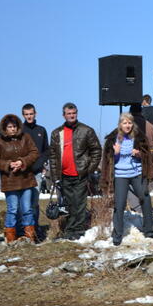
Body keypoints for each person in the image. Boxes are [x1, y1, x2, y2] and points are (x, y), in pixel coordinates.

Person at [100, 113, 153, 246]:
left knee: (145, 198)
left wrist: (139, 155)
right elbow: (107, 160)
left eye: (130, 123)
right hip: (120, 175)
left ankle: (149, 230)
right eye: (125, 123)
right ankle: (118, 234)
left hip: (136, 173)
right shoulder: (113, 139)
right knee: (119, 204)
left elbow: (148, 154)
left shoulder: (139, 137)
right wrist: (115, 154)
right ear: (120, 124)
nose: (127, 125)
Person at [49, 103, 102, 241]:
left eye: (74, 113)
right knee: (69, 204)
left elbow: (96, 150)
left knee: (79, 203)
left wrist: (89, 169)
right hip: (64, 175)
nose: (72, 116)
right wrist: (55, 177)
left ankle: (78, 231)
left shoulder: (86, 130)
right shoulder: (56, 133)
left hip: (80, 174)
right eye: (69, 113)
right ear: (64, 115)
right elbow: (53, 156)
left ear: (76, 113)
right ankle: (70, 229)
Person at [0, 114, 39, 243]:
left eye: (15, 126)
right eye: (10, 127)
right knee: (13, 209)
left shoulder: (26, 137)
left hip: (26, 179)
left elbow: (34, 153)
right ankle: (10, 238)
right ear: (5, 128)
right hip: (9, 181)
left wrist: (22, 162)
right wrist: (8, 164)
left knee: (27, 208)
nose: (13, 129)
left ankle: (29, 237)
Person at [20, 103, 49, 241]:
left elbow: (46, 150)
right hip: (22, 172)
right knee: (23, 202)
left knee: (34, 202)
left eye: (31, 114)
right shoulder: (20, 130)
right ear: (23, 115)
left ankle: (35, 231)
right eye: (26, 114)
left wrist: (39, 164)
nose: (29, 116)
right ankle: (23, 231)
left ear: (35, 114)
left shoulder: (41, 130)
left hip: (36, 171)